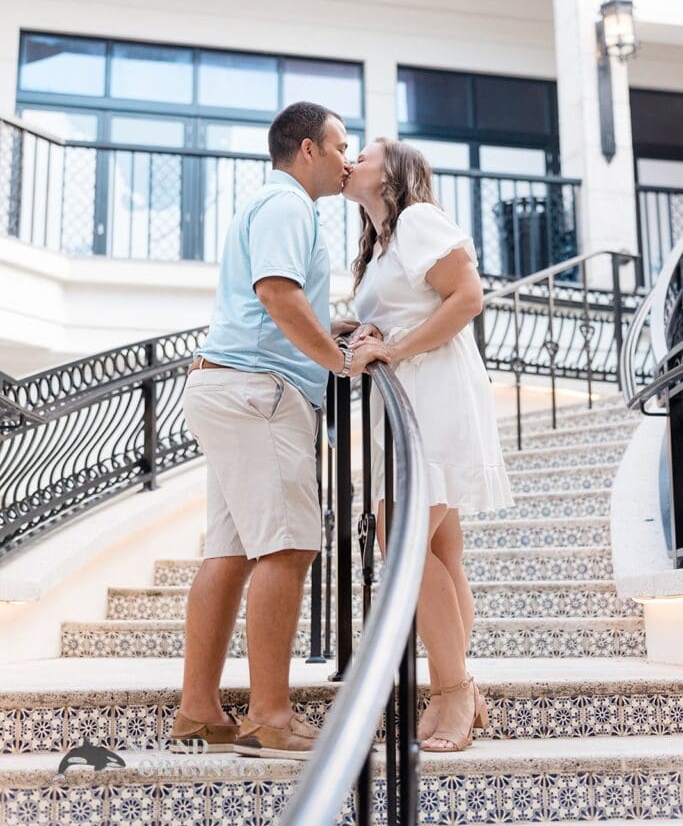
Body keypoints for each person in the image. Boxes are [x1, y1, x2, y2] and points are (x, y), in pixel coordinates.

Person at [172, 102, 391, 760]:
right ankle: (269, 716)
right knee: (290, 547)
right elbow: (276, 293)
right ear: (306, 150)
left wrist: (331, 330)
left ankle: (199, 713)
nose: (347, 158)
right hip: (258, 392)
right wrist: (338, 358)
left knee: (232, 551)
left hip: (233, 386)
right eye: (340, 145)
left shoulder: (273, 206)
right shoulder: (288, 207)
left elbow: (284, 302)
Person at [343, 136, 513, 753]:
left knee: (402, 539)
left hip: (437, 395)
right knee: (439, 548)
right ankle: (459, 686)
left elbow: (468, 298)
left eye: (362, 153)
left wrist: (393, 347)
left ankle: (452, 690)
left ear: (394, 172)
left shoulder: (416, 218)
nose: (349, 160)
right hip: (413, 400)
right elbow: (408, 308)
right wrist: (362, 328)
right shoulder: (384, 241)